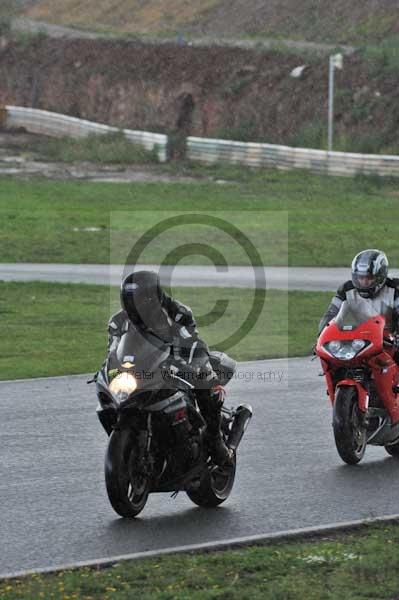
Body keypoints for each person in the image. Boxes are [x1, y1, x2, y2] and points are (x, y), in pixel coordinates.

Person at [107, 270, 232, 465]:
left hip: (179, 357)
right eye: (129, 300)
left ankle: (214, 439)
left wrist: (191, 367)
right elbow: (114, 353)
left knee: (204, 378)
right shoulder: (118, 321)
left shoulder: (177, 313)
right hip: (143, 365)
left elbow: (190, 342)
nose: (134, 306)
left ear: (152, 297)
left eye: (138, 300)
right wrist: (109, 372)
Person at [318, 249, 399, 338]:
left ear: (380, 276)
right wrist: (321, 336)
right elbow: (331, 314)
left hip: (388, 343)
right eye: (361, 277)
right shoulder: (346, 290)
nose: (364, 282)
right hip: (355, 341)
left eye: (369, 278)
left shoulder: (394, 290)